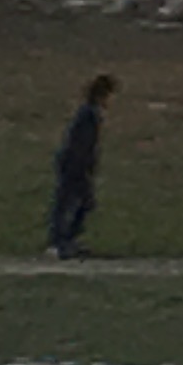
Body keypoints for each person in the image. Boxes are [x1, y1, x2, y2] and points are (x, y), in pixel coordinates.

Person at [47, 74, 114, 259]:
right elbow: (82, 144)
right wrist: (84, 166)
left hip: (75, 164)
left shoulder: (90, 114)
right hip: (75, 165)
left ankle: (66, 239)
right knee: (69, 201)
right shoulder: (89, 115)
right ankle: (59, 242)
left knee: (82, 202)